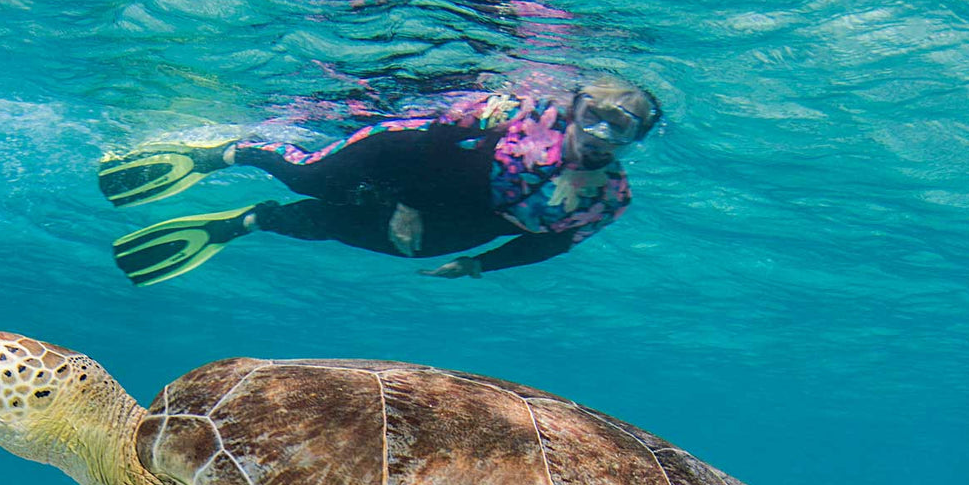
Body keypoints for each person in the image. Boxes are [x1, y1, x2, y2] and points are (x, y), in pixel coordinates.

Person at [99, 76, 661, 285]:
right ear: (575, 105)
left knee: (331, 224)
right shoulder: (519, 111)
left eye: (620, 127)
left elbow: (550, 243)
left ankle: (251, 220)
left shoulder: (608, 199)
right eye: (592, 114)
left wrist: (478, 265)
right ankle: (233, 152)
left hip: (456, 224)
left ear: (636, 140)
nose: (599, 134)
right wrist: (409, 202)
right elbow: (436, 140)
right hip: (402, 159)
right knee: (309, 179)